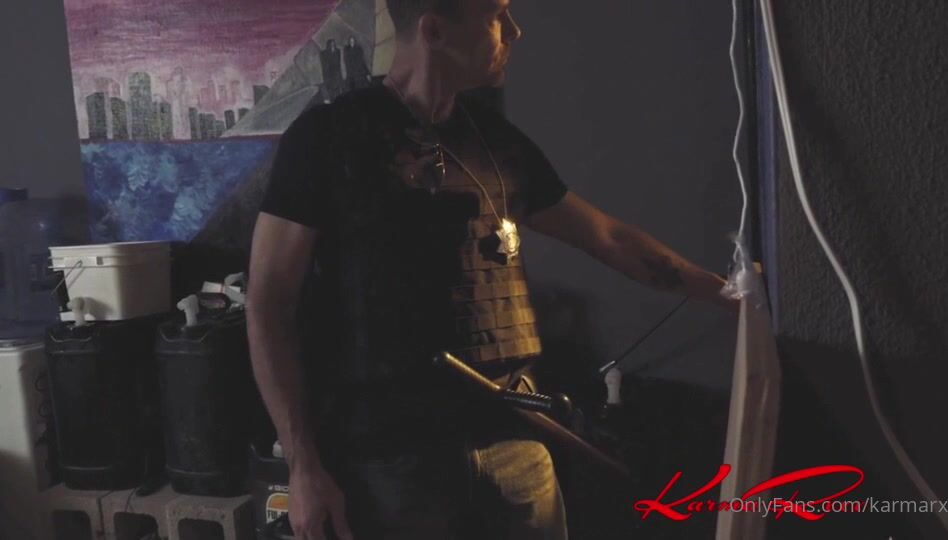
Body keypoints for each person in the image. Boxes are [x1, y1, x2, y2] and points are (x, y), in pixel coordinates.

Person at [247, 0, 738, 538]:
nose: (515, 31)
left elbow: (608, 238)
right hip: (391, 466)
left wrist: (730, 295)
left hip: (516, 444)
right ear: (435, 31)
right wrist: (302, 466)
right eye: (497, 16)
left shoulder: (495, 142)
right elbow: (268, 303)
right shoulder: (327, 138)